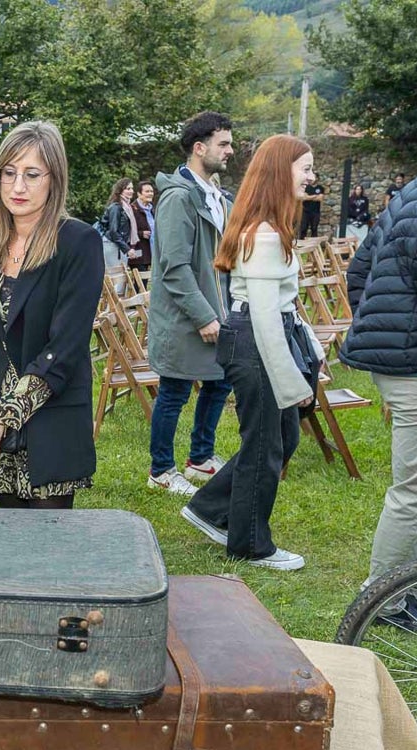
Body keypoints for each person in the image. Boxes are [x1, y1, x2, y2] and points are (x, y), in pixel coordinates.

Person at [181, 135, 324, 571]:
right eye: (306, 167)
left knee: (280, 439)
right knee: (264, 445)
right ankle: (250, 544)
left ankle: (211, 508)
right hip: (256, 343)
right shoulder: (263, 235)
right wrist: (292, 382)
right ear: (282, 172)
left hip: (264, 338)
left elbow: (282, 310)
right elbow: (263, 319)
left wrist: (311, 351)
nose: (312, 176)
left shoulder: (272, 229)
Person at [0, 121, 103, 510]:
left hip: (50, 422)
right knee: (11, 551)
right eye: (9, 174)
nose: (18, 187)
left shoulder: (78, 242)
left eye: (32, 175)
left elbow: (65, 348)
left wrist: (6, 415)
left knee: (48, 556)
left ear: (54, 179)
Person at [339, 170, 417, 621]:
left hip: (400, 356)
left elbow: (360, 269)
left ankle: (412, 584)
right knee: (414, 488)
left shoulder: (414, 188)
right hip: (413, 364)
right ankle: (386, 598)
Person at [147, 111, 235, 496]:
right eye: (224, 144)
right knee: (175, 393)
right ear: (200, 149)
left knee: (220, 383)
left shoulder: (217, 197)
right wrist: (203, 315)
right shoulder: (178, 198)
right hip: (185, 317)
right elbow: (175, 267)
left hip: (221, 313)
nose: (230, 150)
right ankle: (161, 469)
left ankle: (200, 458)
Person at [96, 178, 139, 276]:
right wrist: (127, 249)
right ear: (120, 191)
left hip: (119, 246)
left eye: (132, 188)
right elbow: (113, 231)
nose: (131, 191)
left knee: (121, 277)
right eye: (128, 189)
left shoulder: (127, 207)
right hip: (112, 245)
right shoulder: (116, 207)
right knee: (116, 278)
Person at [128, 180, 155, 272]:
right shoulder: (131, 209)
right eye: (147, 191)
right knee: (140, 283)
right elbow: (125, 230)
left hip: (151, 252)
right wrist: (141, 233)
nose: (150, 194)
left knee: (147, 282)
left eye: (151, 191)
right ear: (139, 194)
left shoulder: (152, 209)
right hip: (137, 253)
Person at [298, 173, 325, 239]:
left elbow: (320, 198)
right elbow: (304, 198)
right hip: (305, 211)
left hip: (315, 212)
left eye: (314, 177)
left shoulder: (320, 188)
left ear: (317, 179)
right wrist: (315, 196)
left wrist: (309, 197)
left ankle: (314, 246)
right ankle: (301, 245)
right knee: (303, 228)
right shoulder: (306, 187)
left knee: (314, 228)